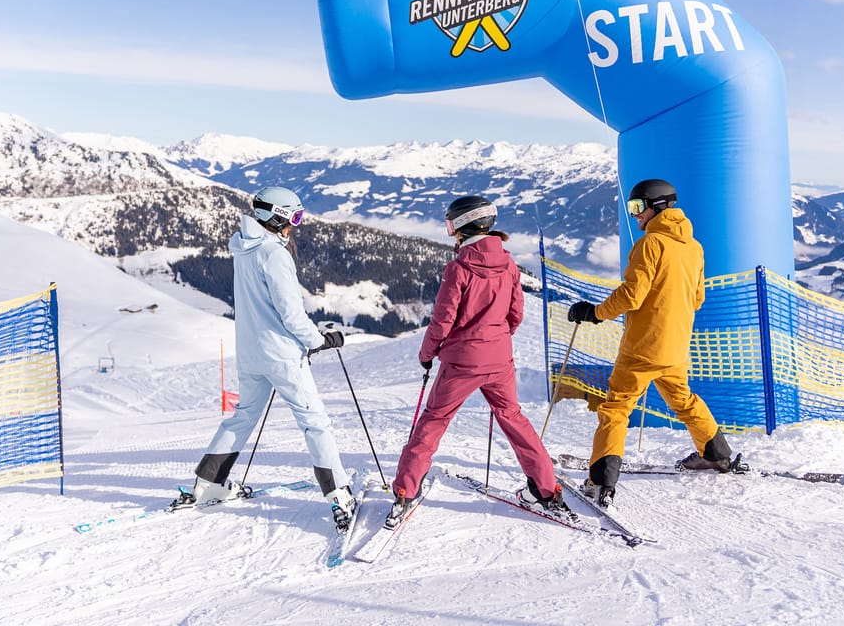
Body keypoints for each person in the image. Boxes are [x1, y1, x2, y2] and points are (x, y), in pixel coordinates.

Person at [176, 185, 355, 529]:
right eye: (295, 217)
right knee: (314, 421)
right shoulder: (274, 254)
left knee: (242, 417)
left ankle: (208, 485)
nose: (296, 224)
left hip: (250, 353)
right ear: (279, 216)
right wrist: (317, 340)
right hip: (282, 355)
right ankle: (339, 496)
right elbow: (290, 313)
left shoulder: (244, 248)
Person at [388, 195, 567, 526]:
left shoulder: (458, 269)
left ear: (460, 225)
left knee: (433, 421)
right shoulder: (509, 264)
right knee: (513, 418)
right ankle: (545, 489)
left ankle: (405, 491)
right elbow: (516, 315)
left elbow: (442, 321)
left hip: (461, 364)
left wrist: (427, 355)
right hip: (499, 359)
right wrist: (495, 339)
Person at [567, 179, 734, 506]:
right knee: (684, 401)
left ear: (657, 206)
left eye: (638, 207)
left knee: (616, 409)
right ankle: (717, 454)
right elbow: (697, 298)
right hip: (675, 348)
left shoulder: (650, 244)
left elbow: (632, 295)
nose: (635, 216)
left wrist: (596, 313)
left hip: (642, 348)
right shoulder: (694, 247)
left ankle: (601, 481)